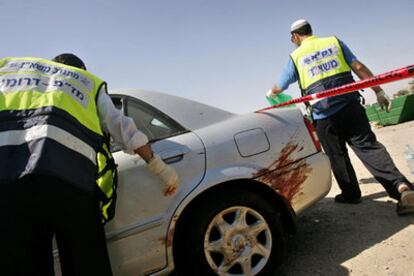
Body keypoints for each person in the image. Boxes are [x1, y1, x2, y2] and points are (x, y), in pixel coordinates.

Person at [0, 54, 179, 276]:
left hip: (10, 183)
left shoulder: (9, 71)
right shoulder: (85, 80)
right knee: (86, 261)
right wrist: (161, 168)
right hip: (71, 180)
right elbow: (123, 129)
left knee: (25, 264)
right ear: (81, 69)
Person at [267, 19, 414, 215]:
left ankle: (351, 194)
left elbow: (279, 87)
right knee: (369, 148)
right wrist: (378, 91)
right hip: (350, 107)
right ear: (310, 31)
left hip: (324, 116)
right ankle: (402, 187)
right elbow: (359, 67)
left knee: (337, 157)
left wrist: (271, 92)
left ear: (294, 37)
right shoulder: (333, 42)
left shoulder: (296, 56)